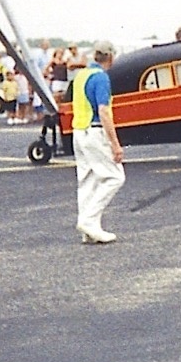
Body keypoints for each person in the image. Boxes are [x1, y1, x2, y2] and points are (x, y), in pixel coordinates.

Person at [73, 41, 124, 245]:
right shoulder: (101, 78)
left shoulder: (81, 76)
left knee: (87, 180)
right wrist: (115, 144)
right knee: (115, 177)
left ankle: (88, 228)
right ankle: (89, 221)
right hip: (94, 131)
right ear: (110, 57)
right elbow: (103, 111)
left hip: (79, 131)